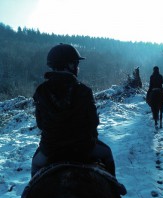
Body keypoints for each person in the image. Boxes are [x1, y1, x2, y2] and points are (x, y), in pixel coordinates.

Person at [31, 43, 116, 177]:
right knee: (107, 154)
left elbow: (40, 124)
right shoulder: (83, 90)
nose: (77, 67)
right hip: (83, 148)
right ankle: (115, 188)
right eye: (76, 63)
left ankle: (28, 197)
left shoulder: (41, 91)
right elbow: (93, 122)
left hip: (51, 150)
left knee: (35, 164)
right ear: (70, 65)